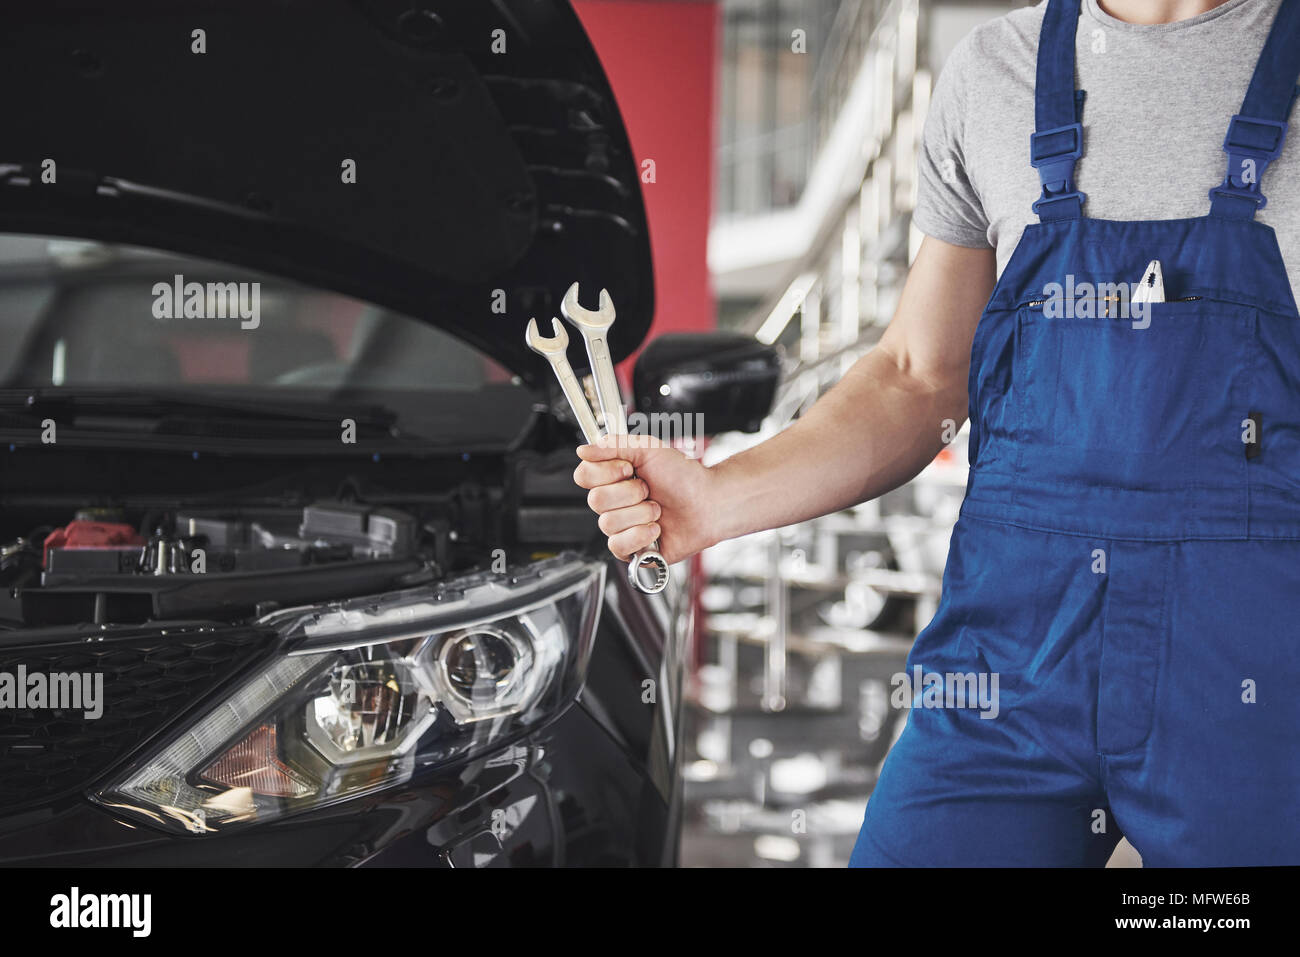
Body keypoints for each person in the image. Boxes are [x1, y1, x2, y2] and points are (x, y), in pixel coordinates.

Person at [574, 0, 1300, 867]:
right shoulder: (994, 70)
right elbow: (920, 379)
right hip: (1007, 669)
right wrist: (717, 498)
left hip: (1253, 671)